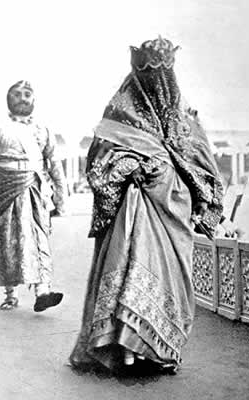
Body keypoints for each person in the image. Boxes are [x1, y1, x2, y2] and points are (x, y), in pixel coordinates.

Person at [69, 37, 225, 374]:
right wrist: (133, 166)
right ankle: (125, 348)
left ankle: (156, 349)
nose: (157, 83)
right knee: (128, 267)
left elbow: (202, 164)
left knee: (169, 277)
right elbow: (102, 159)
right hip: (134, 208)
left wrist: (177, 180)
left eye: (163, 74)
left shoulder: (184, 117)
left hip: (172, 209)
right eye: (149, 74)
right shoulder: (119, 112)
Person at [0, 80, 67, 312]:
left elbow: (55, 164)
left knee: (39, 236)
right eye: (17, 94)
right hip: (3, 188)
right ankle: (10, 293)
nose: (23, 98)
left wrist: (60, 199)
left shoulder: (43, 129)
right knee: (6, 239)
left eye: (27, 94)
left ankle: (43, 291)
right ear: (7, 99)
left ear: (34, 99)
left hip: (34, 187)